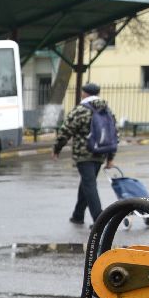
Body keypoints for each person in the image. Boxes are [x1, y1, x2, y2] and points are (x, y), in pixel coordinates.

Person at [52, 83, 117, 226]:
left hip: (84, 153)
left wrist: (57, 149)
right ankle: (78, 215)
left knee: (89, 184)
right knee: (87, 183)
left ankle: (100, 220)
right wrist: (110, 157)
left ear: (84, 93)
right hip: (100, 152)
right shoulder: (106, 110)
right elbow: (113, 133)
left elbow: (65, 131)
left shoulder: (80, 110)